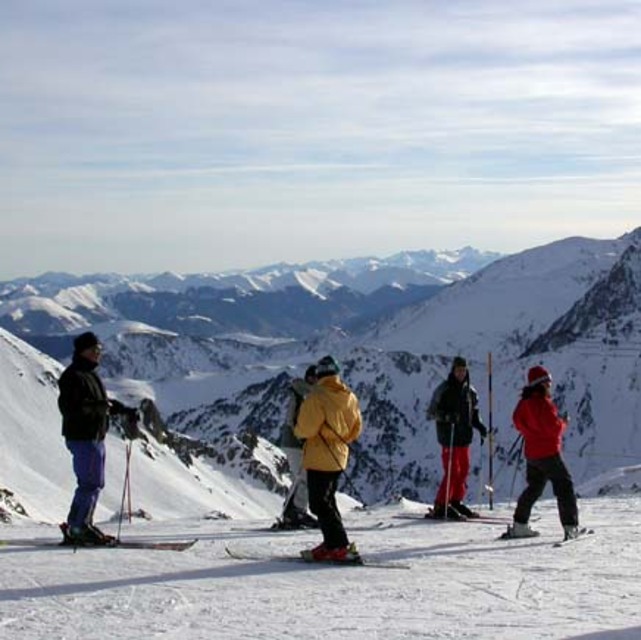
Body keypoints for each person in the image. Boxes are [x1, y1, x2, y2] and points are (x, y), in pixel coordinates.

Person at [58, 331, 137, 546]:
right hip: (83, 437)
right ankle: (79, 526)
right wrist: (102, 407)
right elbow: (70, 408)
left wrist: (119, 409)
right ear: (83, 351)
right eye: (95, 350)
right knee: (90, 483)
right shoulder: (73, 376)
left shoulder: (89, 374)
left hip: (94, 436)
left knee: (93, 483)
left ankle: (80, 524)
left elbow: (98, 403)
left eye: (100, 350)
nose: (98, 354)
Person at [294, 355, 362, 561]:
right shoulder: (349, 396)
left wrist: (300, 431)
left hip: (319, 455)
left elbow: (305, 429)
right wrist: (340, 438)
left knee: (318, 503)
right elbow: (356, 427)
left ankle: (340, 545)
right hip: (339, 455)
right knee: (328, 500)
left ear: (319, 374)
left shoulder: (317, 396)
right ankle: (331, 543)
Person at [504, 365, 580, 540]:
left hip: (532, 453)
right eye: (548, 382)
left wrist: (529, 431)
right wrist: (564, 422)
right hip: (548, 453)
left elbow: (517, 420)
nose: (550, 385)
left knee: (534, 488)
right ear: (542, 383)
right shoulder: (544, 404)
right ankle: (571, 527)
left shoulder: (525, 402)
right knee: (564, 486)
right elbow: (553, 429)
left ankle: (519, 525)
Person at [427, 355, 487, 520]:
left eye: (463, 370)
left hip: (463, 437)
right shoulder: (444, 390)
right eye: (458, 370)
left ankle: (455, 500)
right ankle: (441, 504)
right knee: (452, 472)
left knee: (463, 471)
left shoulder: (470, 391)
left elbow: (473, 413)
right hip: (449, 438)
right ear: (453, 371)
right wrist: (447, 417)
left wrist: (480, 426)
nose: (461, 373)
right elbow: (431, 413)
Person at [273, 365, 319, 530]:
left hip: (294, 441)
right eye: (315, 378)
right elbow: (294, 419)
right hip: (295, 442)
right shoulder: (303, 394)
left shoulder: (302, 393)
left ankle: (295, 512)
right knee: (304, 476)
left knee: (302, 476)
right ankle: (295, 512)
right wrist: (301, 436)